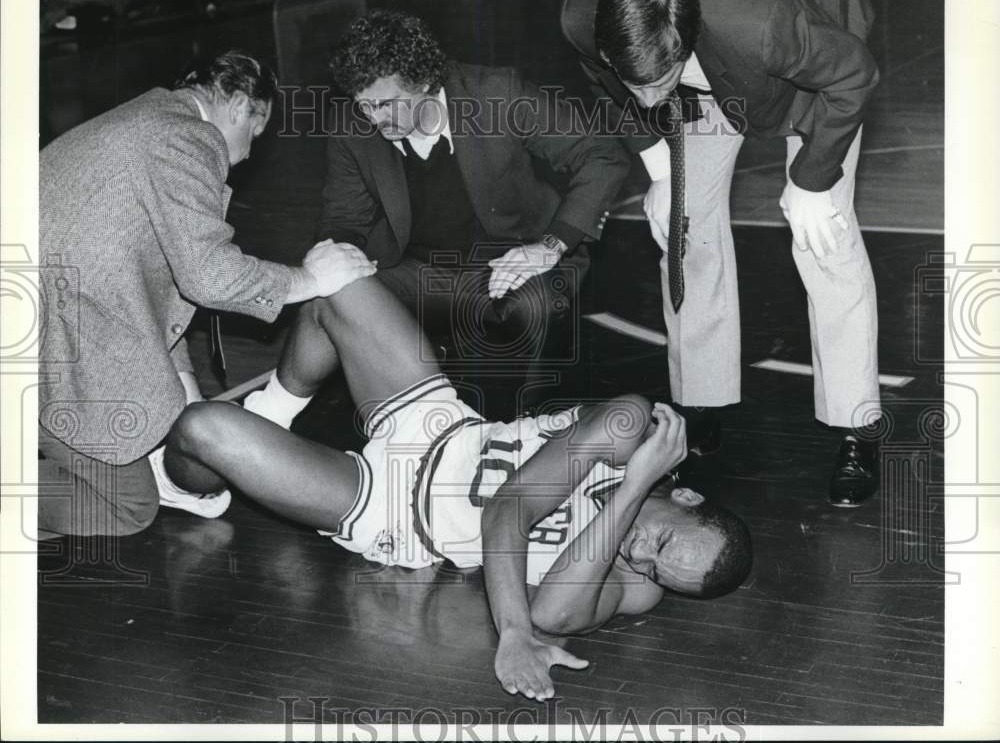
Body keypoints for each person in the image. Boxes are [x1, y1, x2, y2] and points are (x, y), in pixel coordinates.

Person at [163, 259, 753, 701]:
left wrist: (628, 499)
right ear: (686, 495)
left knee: (201, 429)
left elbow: (554, 614)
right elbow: (510, 507)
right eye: (664, 542)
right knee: (334, 279)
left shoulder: (636, 584)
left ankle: (197, 489)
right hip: (442, 426)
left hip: (396, 508)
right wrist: (512, 632)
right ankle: (273, 415)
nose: (642, 555)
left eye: (655, 569)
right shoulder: (630, 423)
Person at [560, 0, 884, 506]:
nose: (645, 100)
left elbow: (854, 75)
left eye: (657, 82)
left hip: (816, 59)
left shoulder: (769, 26)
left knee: (824, 238)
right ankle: (702, 396)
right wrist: (660, 167)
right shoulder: (580, 16)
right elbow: (612, 88)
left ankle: (856, 423)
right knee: (683, 230)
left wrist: (811, 180)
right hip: (713, 57)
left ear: (685, 48)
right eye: (633, 82)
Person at [38, 50, 377, 536]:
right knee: (128, 507)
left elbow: (160, 292)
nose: (248, 153)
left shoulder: (145, 117)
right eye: (256, 133)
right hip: (44, 348)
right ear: (239, 106)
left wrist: (186, 405)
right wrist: (311, 279)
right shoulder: (188, 138)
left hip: (52, 316)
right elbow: (210, 278)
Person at [315, 10, 630, 405]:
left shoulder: (498, 94)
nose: (375, 119)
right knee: (329, 292)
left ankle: (524, 424)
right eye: (364, 106)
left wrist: (550, 246)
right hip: (419, 269)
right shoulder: (352, 127)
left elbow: (601, 154)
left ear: (426, 81)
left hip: (510, 256)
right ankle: (286, 408)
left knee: (538, 307)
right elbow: (344, 219)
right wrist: (334, 253)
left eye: (387, 104)